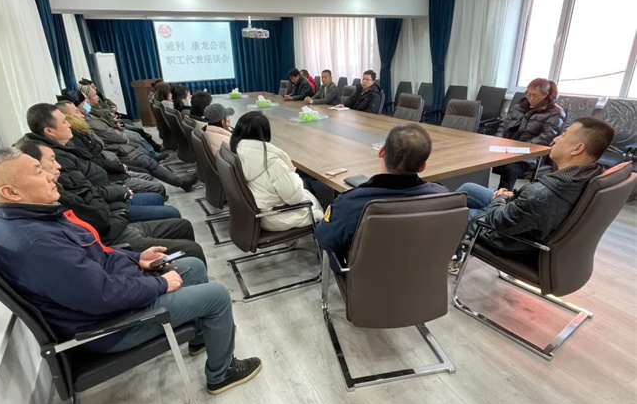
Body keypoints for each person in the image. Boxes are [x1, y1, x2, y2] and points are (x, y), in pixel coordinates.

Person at [0, 147, 261, 395]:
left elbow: (96, 256)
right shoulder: (36, 243)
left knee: (193, 266)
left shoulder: (34, 221)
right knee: (217, 296)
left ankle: (200, 337)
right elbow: (101, 295)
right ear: (11, 192)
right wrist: (160, 285)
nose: (50, 175)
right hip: (111, 326)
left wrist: (138, 259)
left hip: (114, 299)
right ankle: (221, 374)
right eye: (38, 171)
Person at [449, 117, 615, 274]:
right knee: (468, 188)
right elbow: (533, 204)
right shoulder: (590, 173)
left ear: (577, 148)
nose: (556, 139)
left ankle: (453, 255)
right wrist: (512, 197)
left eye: (563, 135)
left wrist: (500, 198)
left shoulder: (542, 193)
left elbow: (499, 221)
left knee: (453, 217)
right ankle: (453, 247)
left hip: (510, 239)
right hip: (528, 219)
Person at [13, 139, 206, 261]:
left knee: (182, 225)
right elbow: (100, 218)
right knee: (192, 249)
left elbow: (96, 200)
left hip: (116, 220)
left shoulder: (58, 186)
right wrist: (119, 207)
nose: (58, 166)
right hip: (116, 236)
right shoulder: (53, 201)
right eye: (49, 163)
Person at [315, 124, 447, 269]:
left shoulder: (350, 203)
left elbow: (325, 238)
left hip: (367, 278)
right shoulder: (443, 198)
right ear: (422, 167)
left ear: (381, 152)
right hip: (423, 273)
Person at [17, 139, 180, 223]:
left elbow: (90, 190)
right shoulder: (55, 185)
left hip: (110, 195)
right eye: (65, 121)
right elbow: (98, 216)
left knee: (156, 196)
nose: (57, 166)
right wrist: (120, 199)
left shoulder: (66, 149)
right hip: (113, 216)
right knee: (170, 211)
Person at [53, 100, 198, 191]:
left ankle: (179, 181)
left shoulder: (82, 127)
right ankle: (178, 183)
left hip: (111, 158)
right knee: (144, 161)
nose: (81, 113)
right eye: (77, 112)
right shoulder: (75, 135)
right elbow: (95, 158)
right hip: (110, 163)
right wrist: (118, 166)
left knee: (140, 148)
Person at [230, 111, 323, 231]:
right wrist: (294, 176)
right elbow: (294, 198)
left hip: (257, 213)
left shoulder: (238, 150)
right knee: (317, 204)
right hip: (275, 217)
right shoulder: (272, 162)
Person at [494, 78, 566, 190]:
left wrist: (519, 148)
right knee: (480, 161)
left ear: (545, 94)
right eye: (529, 94)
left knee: (510, 169)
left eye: (535, 95)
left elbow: (545, 138)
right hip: (506, 149)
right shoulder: (519, 107)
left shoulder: (555, 112)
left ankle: (502, 197)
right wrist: (498, 140)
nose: (531, 98)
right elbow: (503, 125)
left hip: (530, 155)